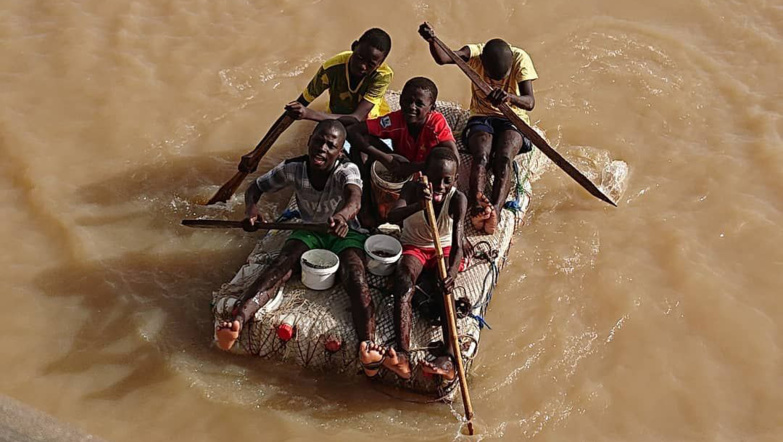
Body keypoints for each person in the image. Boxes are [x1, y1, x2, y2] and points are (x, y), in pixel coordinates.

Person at [216, 120, 375, 366]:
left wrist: (342, 216)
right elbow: (254, 188)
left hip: (347, 231)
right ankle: (238, 321)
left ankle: (368, 344)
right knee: (280, 266)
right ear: (309, 140)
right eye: (318, 141)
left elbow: (354, 198)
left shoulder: (347, 170)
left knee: (355, 276)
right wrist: (251, 211)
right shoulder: (293, 168)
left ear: (339, 152)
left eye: (330, 145)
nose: (322, 148)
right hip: (309, 228)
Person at [418, 22, 537, 234]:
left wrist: (508, 97)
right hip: (482, 116)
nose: (497, 82)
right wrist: (432, 40)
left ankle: (496, 212)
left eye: (502, 78)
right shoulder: (475, 53)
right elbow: (444, 58)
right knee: (481, 155)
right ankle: (476, 206)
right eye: (493, 78)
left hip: (513, 119)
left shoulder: (521, 59)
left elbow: (529, 102)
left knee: (503, 158)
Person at [360, 147, 467, 380]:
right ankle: (403, 355)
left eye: (446, 181)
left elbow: (458, 244)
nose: (439, 186)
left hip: (444, 248)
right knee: (404, 284)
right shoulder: (411, 189)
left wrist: (451, 273)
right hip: (415, 247)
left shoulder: (458, 198)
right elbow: (393, 216)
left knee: (444, 289)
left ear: (455, 180)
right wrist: (419, 204)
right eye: (434, 180)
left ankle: (448, 356)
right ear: (423, 175)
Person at [345, 76, 459, 226]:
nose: (411, 107)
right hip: (399, 164)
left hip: (426, 173)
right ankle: (365, 204)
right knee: (360, 145)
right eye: (407, 101)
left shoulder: (436, 123)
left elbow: (454, 159)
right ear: (400, 100)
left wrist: (414, 167)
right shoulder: (396, 119)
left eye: (419, 104)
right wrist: (386, 158)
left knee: (442, 165)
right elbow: (354, 131)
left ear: (432, 108)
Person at [284, 28, 394, 124]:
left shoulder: (382, 75)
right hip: (335, 115)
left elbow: (357, 118)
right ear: (354, 46)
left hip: (368, 119)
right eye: (360, 57)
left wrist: (308, 113)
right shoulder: (331, 68)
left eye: (370, 65)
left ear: (379, 65)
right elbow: (300, 103)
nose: (362, 66)